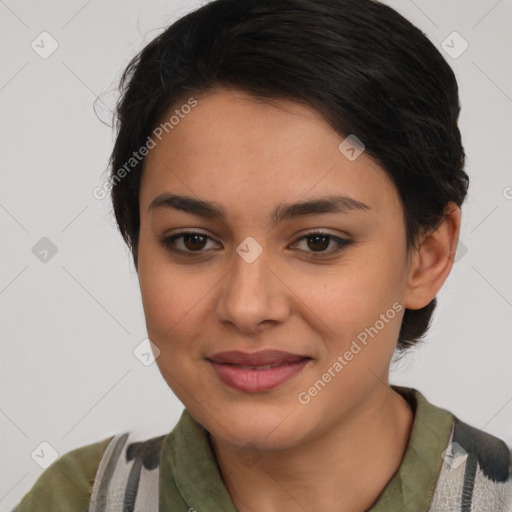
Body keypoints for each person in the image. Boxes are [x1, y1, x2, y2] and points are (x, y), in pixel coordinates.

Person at [12, 0, 512, 511]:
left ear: (427, 256)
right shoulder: (75, 500)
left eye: (318, 241)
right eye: (193, 240)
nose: (247, 307)